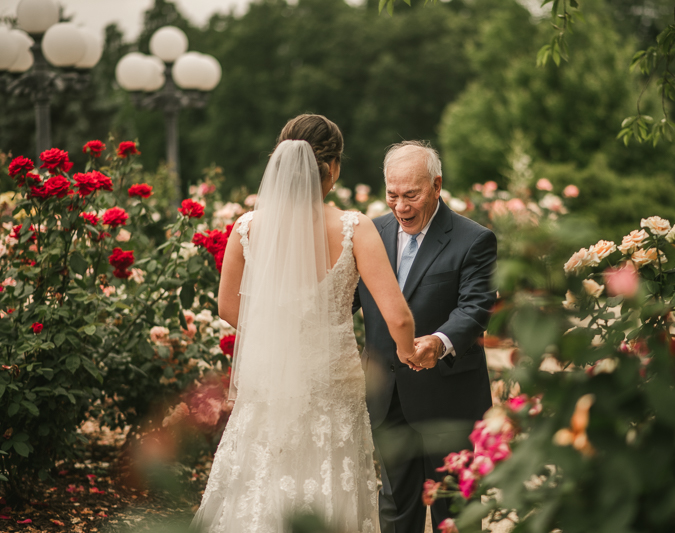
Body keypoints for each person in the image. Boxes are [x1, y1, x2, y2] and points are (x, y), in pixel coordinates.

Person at [191, 115, 417, 533]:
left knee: (261, 478)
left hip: (270, 380)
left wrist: (278, 333)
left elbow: (226, 307)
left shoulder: (246, 228)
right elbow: (398, 315)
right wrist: (410, 351)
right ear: (331, 169)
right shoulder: (354, 227)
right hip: (332, 380)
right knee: (331, 481)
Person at [353, 141, 497, 532]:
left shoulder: (474, 239)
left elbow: (475, 307)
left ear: (436, 185)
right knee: (396, 509)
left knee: (456, 511)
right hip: (387, 396)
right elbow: (342, 299)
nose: (401, 207)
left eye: (412, 195)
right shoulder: (369, 235)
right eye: (393, 195)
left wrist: (439, 342)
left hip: (450, 399)